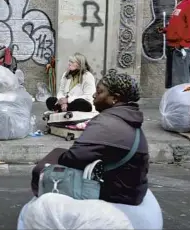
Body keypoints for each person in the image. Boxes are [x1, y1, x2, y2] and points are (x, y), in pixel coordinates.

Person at [32, 69, 149, 206]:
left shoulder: (106, 122)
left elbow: (72, 158)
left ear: (115, 98)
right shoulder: (129, 117)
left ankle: (45, 210)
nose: (94, 95)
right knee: (58, 151)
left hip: (118, 193)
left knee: (43, 167)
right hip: (132, 190)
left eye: (99, 92)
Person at [158, 0, 190, 88]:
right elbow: (179, 24)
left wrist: (184, 44)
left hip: (180, 47)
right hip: (173, 46)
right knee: (173, 81)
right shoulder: (181, 5)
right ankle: (175, 102)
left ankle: (185, 103)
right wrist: (166, 30)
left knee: (181, 81)